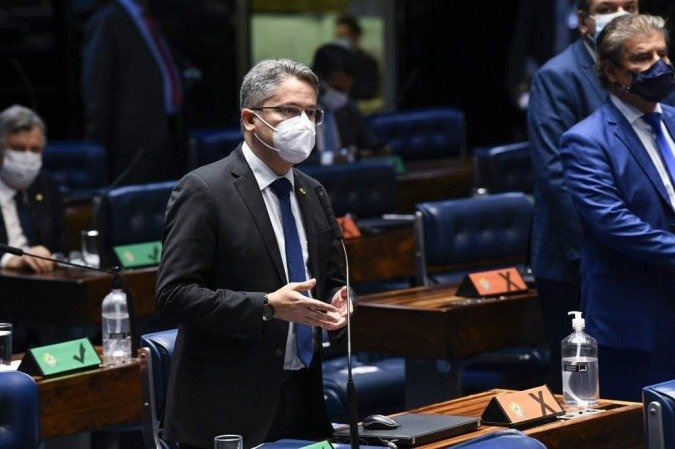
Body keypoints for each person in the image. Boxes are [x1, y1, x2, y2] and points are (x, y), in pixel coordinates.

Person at [155, 58, 352, 449]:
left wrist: (341, 305)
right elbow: (173, 296)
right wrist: (266, 306)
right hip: (226, 406)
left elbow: (334, 280)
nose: (303, 123)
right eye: (289, 110)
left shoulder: (312, 191)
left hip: (303, 398)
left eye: (311, 113)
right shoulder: (204, 190)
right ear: (249, 119)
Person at [560, 13, 675, 401]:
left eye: (663, 53)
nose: (659, 65)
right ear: (610, 71)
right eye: (643, 58)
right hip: (634, 316)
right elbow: (612, 223)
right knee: (643, 429)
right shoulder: (586, 140)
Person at [527, 0, 639, 392]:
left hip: (632, 253)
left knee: (628, 380)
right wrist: (596, 250)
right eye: (609, 6)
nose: (622, 12)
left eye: (631, 4)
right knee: (579, 385)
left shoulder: (646, 71)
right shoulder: (557, 75)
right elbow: (554, 175)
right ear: (583, 20)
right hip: (572, 257)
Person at [81, 0, 187, 186]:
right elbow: (96, 85)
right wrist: (100, 143)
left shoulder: (151, 18)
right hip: (131, 142)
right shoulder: (109, 20)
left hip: (166, 130)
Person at [0, 104, 64, 273]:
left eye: (35, 150)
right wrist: (8, 259)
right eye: (19, 149)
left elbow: (59, 246)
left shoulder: (47, 187)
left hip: (43, 280)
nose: (27, 157)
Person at [309, 43, 389, 165]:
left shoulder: (348, 108)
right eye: (338, 89)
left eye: (347, 90)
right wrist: (332, 158)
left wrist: (379, 150)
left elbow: (370, 144)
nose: (342, 96)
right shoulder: (294, 111)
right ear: (317, 79)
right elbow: (288, 161)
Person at [334, 13, 380, 101]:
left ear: (356, 36)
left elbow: (369, 93)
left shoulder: (368, 63)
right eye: (338, 36)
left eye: (345, 36)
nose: (341, 41)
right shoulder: (332, 62)